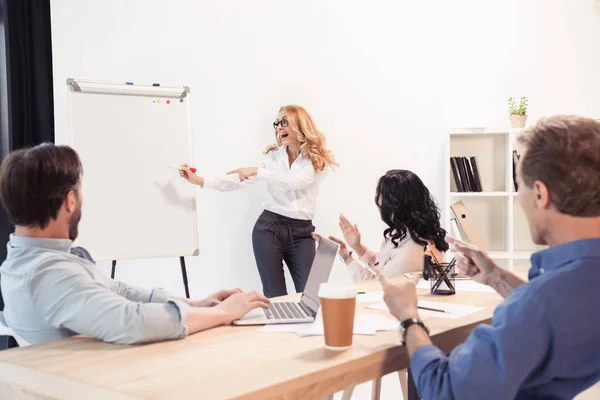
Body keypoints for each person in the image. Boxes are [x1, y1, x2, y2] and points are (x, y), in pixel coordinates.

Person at [376, 115, 600, 399]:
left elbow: (444, 389)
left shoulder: (539, 305)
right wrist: (496, 277)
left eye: (520, 186)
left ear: (541, 194)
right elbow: (560, 312)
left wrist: (409, 317)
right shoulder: (574, 287)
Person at [0, 143, 269, 346]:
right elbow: (132, 321)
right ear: (70, 201)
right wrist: (223, 312)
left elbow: (117, 289)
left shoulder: (27, 261)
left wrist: (198, 305)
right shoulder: (48, 273)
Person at [179, 105, 337, 298]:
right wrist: (200, 181)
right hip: (270, 229)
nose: (279, 127)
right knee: (276, 297)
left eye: (285, 121)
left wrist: (258, 171)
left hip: (302, 233)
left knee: (312, 296)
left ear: (300, 124)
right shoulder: (273, 157)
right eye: (277, 123)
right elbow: (238, 180)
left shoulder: (315, 159)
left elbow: (294, 182)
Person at [316, 170, 448, 282]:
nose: (377, 199)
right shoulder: (409, 231)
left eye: (380, 194)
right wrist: (357, 247)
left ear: (395, 205)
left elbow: (375, 285)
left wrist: (346, 256)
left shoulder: (412, 250)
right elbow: (383, 264)